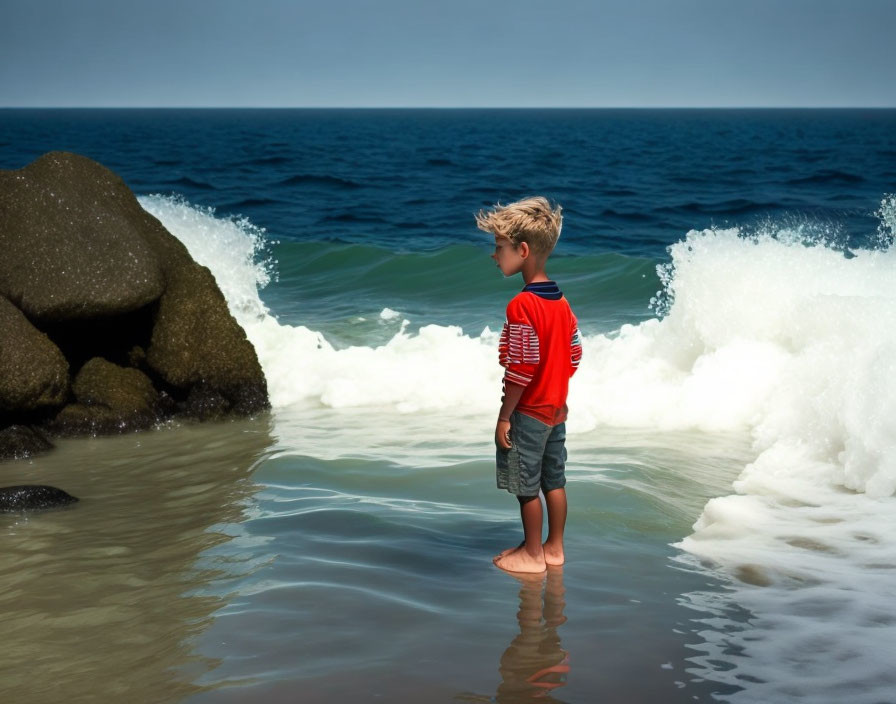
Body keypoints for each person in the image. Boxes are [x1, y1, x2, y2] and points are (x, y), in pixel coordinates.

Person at [476, 197, 582, 574]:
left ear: (522, 251)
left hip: (531, 412)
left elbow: (521, 368)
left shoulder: (522, 305)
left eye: (499, 248)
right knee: (555, 480)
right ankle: (554, 548)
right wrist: (554, 384)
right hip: (557, 409)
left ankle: (533, 555)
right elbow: (574, 355)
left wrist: (505, 416)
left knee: (526, 485)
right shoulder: (562, 302)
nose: (494, 256)